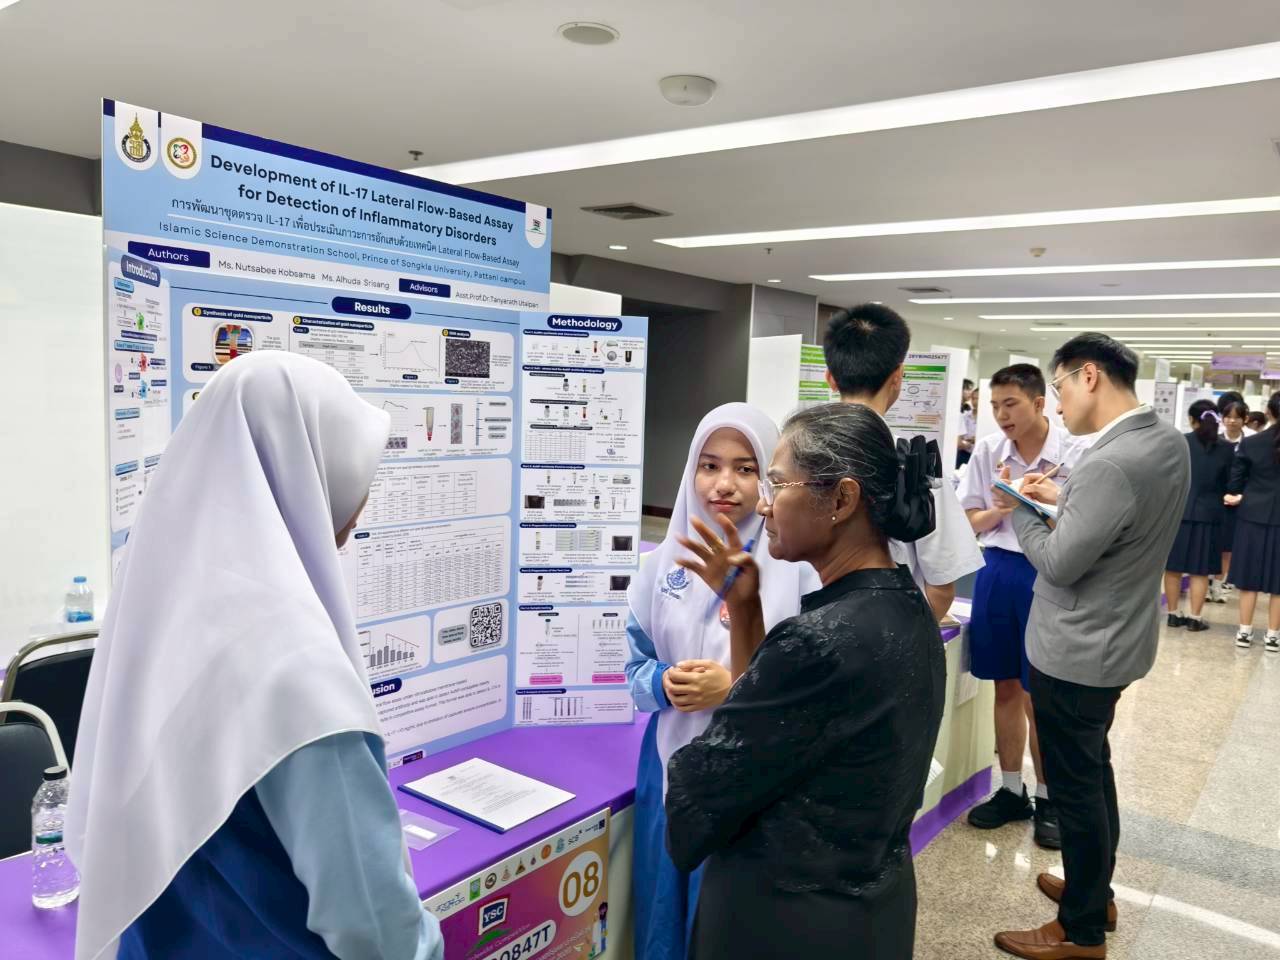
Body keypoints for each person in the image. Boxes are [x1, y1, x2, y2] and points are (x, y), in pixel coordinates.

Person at [67, 353, 443, 960]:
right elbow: (376, 931)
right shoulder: (296, 668)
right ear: (308, 466)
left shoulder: (166, 613)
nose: (361, 505)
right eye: (358, 476)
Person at [665, 402, 945, 960]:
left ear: (841, 499)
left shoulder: (817, 642)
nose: (763, 504)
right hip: (871, 911)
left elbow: (698, 802)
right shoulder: (908, 607)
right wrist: (747, 609)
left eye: (775, 483)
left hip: (783, 921)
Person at [990, 333, 1189, 960]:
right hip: (1121, 637)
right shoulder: (1165, 441)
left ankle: (1080, 931)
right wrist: (1065, 500)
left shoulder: (1109, 462)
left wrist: (1020, 506)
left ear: (1090, 376)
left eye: (1059, 387)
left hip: (1077, 648)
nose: (1058, 403)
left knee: (1076, 786)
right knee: (1093, 771)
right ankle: (1093, 890)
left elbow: (1058, 563)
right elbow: (1118, 525)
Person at [624, 403, 819, 960]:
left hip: (759, 781)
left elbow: (812, 688)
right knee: (665, 911)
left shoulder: (799, 570)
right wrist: (666, 683)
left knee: (731, 920)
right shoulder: (657, 567)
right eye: (709, 466)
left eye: (745, 468)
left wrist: (733, 688)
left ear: (770, 479)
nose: (724, 484)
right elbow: (633, 672)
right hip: (669, 762)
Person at [958, 364, 1089, 848]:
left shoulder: (1076, 453)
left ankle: (1048, 797)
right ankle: (1011, 789)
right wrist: (1002, 508)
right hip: (997, 569)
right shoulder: (989, 451)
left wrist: (1043, 503)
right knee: (1005, 687)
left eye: (1010, 404)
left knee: (1042, 695)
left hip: (1048, 573)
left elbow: (1085, 526)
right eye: (994, 406)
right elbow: (970, 518)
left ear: (1038, 403)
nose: (1000, 415)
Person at [823, 303, 984, 620]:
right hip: (887, 627)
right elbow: (941, 585)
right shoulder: (914, 461)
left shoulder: (796, 455)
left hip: (800, 632)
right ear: (898, 376)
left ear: (830, 378)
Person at [1163, 400, 1234, 632]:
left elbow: (1170, 476)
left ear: (1192, 420)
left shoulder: (1181, 442)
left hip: (1179, 512)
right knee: (1200, 570)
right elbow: (1230, 483)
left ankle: (1173, 614)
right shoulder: (1226, 448)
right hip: (1210, 515)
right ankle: (1195, 618)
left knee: (1173, 567)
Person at [1225, 390, 1280, 652]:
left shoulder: (1252, 443)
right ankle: (1273, 636)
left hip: (1252, 516)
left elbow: (1235, 483)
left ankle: (1244, 632)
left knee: (1249, 576)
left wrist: (1239, 493)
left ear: (1269, 412)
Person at [1210, 400, 1254, 601]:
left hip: (1241, 502)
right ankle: (1207, 582)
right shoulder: (1214, 440)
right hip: (1215, 500)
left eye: (1237, 417)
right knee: (1211, 544)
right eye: (1227, 417)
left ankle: (1219, 585)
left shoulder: (1251, 443)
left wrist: (1242, 496)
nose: (1232, 421)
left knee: (1228, 548)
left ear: (1245, 419)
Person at [958, 378, 978, 468]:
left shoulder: (964, 408)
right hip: (963, 453)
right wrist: (968, 443)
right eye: (968, 389)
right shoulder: (963, 413)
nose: (971, 392)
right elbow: (958, 441)